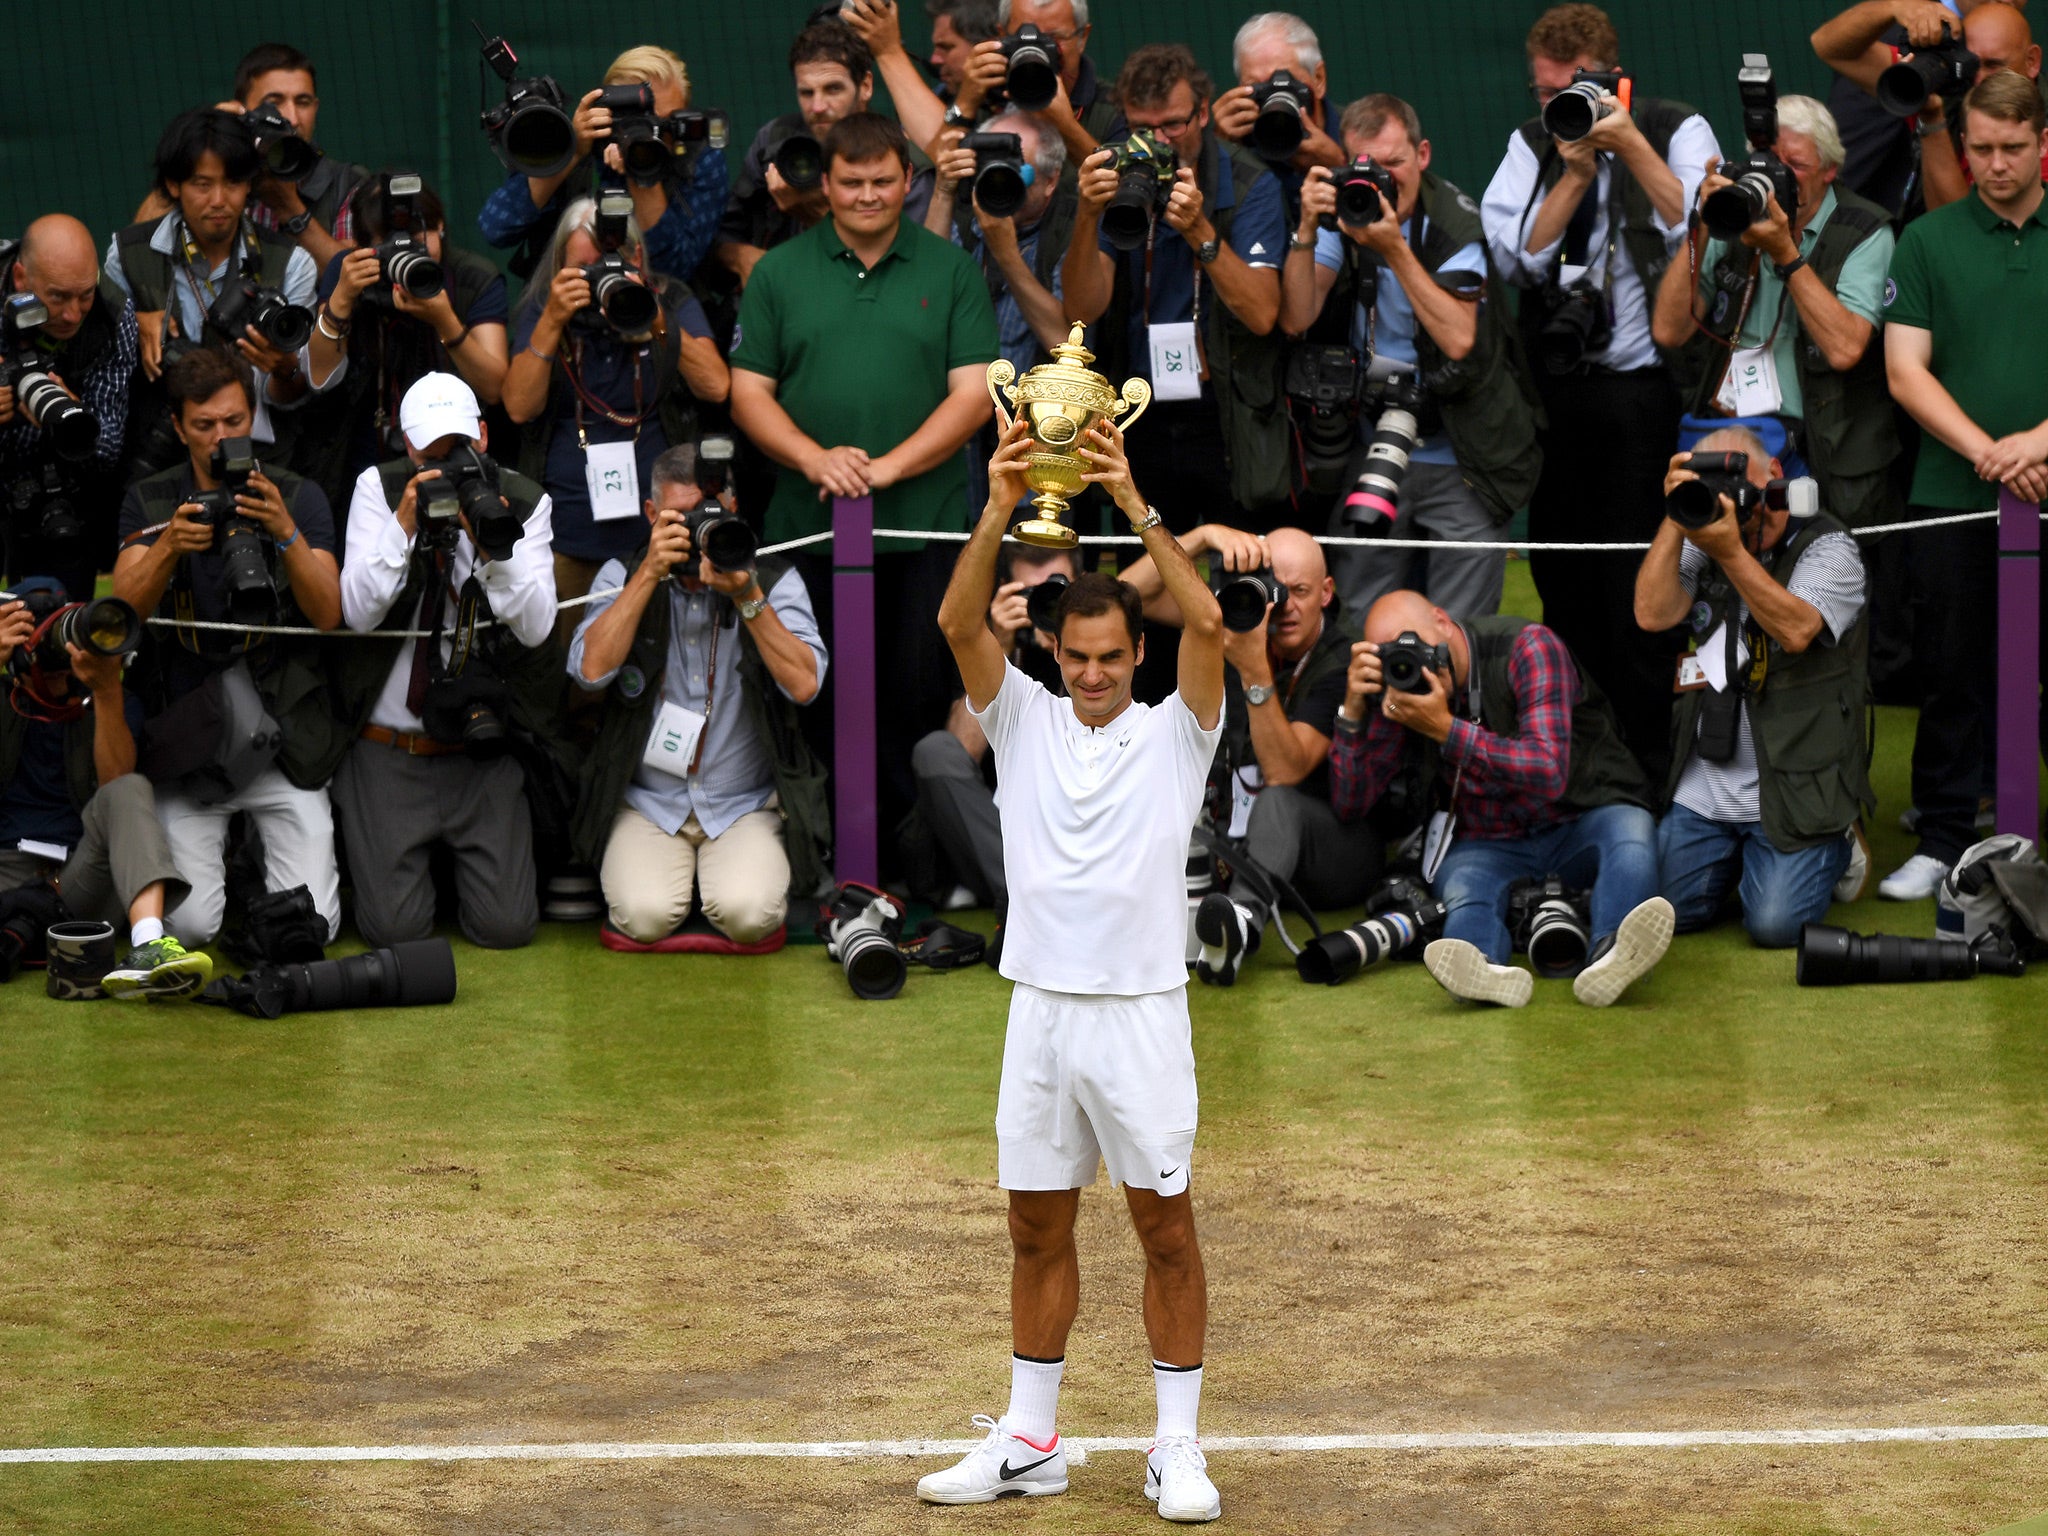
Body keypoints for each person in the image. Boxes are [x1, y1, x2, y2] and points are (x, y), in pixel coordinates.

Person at [920, 416, 1226, 1523]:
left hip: (1141, 1016)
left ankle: (1175, 1449)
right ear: (1055, 654)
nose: (1092, 674)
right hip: (1040, 1013)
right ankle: (1032, 1439)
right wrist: (1000, 500)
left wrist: (1132, 494)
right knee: (1033, 1230)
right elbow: (958, 619)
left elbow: (1206, 616)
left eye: (1110, 658)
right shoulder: (1023, 718)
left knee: (1166, 1234)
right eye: (1076, 657)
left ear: (1134, 658)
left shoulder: (1180, 729)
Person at [730, 111, 997, 846]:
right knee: (815, 699)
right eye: (853, 183)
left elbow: (974, 394)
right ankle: (821, 861)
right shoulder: (780, 272)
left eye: (884, 180)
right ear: (829, 183)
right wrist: (816, 459)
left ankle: (918, 867)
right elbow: (747, 391)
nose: (869, 196)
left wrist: (885, 469)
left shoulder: (950, 270)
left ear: (909, 180)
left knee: (915, 700)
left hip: (925, 528)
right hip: (805, 529)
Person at [1480, 3, 1720, 782]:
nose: (1558, 107)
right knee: (1566, 583)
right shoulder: (1534, 141)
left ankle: (1650, 764)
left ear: (1613, 76)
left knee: (1636, 591)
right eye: (1544, 90)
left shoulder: (1675, 126)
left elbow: (1696, 218)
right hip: (1559, 390)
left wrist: (1625, 142)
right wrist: (1575, 170)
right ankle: (1575, 758)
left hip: (1645, 392)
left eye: (1570, 90)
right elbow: (1513, 256)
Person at [1329, 589, 1672, 1008]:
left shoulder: (1527, 647)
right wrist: (1352, 712)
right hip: (1490, 840)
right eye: (1390, 655)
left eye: (1413, 644)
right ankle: (1481, 967)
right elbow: (1351, 803)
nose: (1409, 661)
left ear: (1443, 620)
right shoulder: (1400, 691)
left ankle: (1613, 952)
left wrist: (1444, 729)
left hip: (1580, 817)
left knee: (1633, 836)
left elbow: (1547, 771)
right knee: (1464, 884)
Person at [110, 348, 344, 948]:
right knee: (188, 928)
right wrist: (169, 548)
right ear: (178, 427)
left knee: (316, 925)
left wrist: (285, 530)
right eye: (206, 425)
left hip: (281, 731)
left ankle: (258, 899)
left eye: (235, 421)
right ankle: (232, 891)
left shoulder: (295, 492)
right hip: (194, 737)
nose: (221, 437)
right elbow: (121, 612)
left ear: (254, 415)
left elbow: (327, 612)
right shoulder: (153, 499)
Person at [1878, 71, 2048, 898]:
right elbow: (1905, 372)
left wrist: (2039, 443)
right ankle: (1944, 839)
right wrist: (1993, 452)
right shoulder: (1927, 240)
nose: (1994, 164)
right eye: (1979, 147)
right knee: (1950, 670)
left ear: (2042, 143)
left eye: (2012, 148)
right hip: (1951, 494)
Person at [1282, 93, 1544, 623]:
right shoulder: (1344, 211)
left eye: (1395, 164)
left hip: (1465, 452)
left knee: (1459, 628)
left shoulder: (1452, 222)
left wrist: (1394, 248)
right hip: (1376, 440)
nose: (1384, 181)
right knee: (1358, 613)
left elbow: (1458, 340)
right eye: (1369, 167)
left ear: (1422, 155)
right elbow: (1296, 316)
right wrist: (1308, 231)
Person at [569, 444, 831, 948]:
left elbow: (805, 684)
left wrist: (746, 595)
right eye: (680, 518)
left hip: (744, 803)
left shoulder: (773, 580)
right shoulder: (621, 574)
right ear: (651, 515)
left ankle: (720, 877)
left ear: (732, 510)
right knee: (643, 916)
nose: (695, 532)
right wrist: (648, 573)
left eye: (705, 517)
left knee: (748, 914)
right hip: (648, 801)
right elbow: (589, 672)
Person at [332, 373, 555, 951]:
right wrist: (406, 523)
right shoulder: (379, 488)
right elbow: (357, 611)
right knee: (394, 931)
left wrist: (491, 545)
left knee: (507, 928)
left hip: (481, 746)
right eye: (433, 452)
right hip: (390, 747)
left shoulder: (524, 499)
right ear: (408, 447)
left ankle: (463, 877)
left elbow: (536, 627)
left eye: (461, 446)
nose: (450, 462)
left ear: (483, 434)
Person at [1634, 430, 1874, 945]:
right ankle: (1744, 862)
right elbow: (1652, 615)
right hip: (1708, 784)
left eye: (1753, 500)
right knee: (1658, 908)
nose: (1745, 520)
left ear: (1778, 478)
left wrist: (1731, 553)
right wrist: (1679, 515)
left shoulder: (1831, 548)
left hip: (1793, 780)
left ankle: (1839, 838)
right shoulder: (1706, 531)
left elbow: (1796, 630)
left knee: (1774, 926)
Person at [1120, 524, 1375, 986]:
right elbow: (1120, 602)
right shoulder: (1240, 623)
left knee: (1278, 800)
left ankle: (1239, 922)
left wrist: (1253, 666)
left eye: (1300, 591)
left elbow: (1285, 771)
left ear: (1326, 592)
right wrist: (1199, 539)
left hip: (1333, 852)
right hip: (1245, 844)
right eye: (1278, 591)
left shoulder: (1344, 658)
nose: (1288, 607)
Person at [1063, 45, 1290, 539]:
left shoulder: (1248, 181)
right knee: (1145, 585)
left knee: (1243, 575)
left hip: (1226, 414)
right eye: (1142, 128)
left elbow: (1263, 313)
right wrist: (1085, 215)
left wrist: (1200, 232)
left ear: (1204, 112)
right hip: (1136, 411)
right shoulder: (1118, 175)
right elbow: (1082, 309)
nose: (1157, 141)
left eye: (1172, 126)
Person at [1651, 94, 1903, 531]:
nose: (1780, 178)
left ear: (1830, 171)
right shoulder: (1733, 219)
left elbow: (1845, 349)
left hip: (1819, 444)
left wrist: (1785, 253)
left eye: (1797, 166)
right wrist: (1705, 222)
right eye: (1769, 165)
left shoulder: (1863, 229)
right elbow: (1669, 330)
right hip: (1732, 431)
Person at [503, 195, 730, 631]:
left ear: (638, 257)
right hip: (567, 540)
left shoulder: (669, 298)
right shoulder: (546, 307)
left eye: (610, 264)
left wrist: (657, 322)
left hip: (658, 542)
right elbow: (518, 406)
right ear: (560, 266)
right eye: (583, 268)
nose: (598, 279)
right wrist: (552, 320)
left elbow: (716, 385)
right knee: (570, 669)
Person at [0, 579, 207, 1000]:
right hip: (6, 868)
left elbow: (115, 786)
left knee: (130, 787)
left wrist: (106, 690)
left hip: (75, 879)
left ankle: (148, 946)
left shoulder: (108, 694)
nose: (61, 652)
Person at [107, 108, 319, 480]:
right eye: (202, 184)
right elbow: (104, 371)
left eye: (233, 183)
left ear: (250, 183)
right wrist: (130, 323)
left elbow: (295, 393)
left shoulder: (292, 264)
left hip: (261, 462)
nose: (219, 200)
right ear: (173, 185)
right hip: (154, 462)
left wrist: (283, 367)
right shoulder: (127, 255)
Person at [302, 174, 512, 532]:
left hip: (453, 445)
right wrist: (340, 301)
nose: (406, 251)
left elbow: (493, 387)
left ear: (441, 226)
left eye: (417, 238)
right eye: (388, 242)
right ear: (362, 246)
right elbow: (317, 375)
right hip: (364, 442)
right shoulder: (348, 273)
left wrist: (444, 320)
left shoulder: (470, 277)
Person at [911, 537, 1074, 919]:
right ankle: (1034, 899)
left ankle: (1041, 899)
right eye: (1030, 593)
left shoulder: (1101, 643)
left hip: (1075, 830)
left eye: (1057, 592)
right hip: (1000, 836)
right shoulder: (987, 644)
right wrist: (997, 647)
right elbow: (957, 751)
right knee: (934, 751)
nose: (1045, 606)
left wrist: (1067, 651)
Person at [477, 44, 730, 286]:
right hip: (569, 299)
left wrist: (642, 170)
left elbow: (674, 271)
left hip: (653, 310)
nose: (651, 130)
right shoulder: (586, 144)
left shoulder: (698, 158)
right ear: (607, 109)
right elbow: (496, 228)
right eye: (637, 118)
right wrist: (571, 152)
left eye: (665, 123)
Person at [713, 19, 935, 290]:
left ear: (865, 85)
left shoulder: (898, 157)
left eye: (833, 89)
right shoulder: (775, 142)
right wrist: (743, 258)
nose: (817, 107)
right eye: (806, 92)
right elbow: (722, 234)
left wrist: (816, 213)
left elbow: (904, 274)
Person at [131, 44, 368, 274]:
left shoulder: (346, 184)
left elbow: (354, 280)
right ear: (242, 108)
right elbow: (139, 249)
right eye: (274, 103)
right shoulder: (215, 177)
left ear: (316, 107)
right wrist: (200, 147)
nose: (292, 118)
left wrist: (292, 211)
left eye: (302, 102)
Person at [0, 216, 140, 595]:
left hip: (61, 499)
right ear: (19, 278)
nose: (73, 314)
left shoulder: (113, 315)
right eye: (58, 296)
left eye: (85, 295)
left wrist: (75, 417)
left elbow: (107, 449)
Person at [1813, 0, 2042, 215]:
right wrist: (1894, 7)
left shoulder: (2040, 124)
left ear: (2032, 62)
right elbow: (1828, 45)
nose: (1979, 78)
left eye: (1994, 65)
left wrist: (1933, 123)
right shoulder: (1949, 87)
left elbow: (1962, 227)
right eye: (1970, 65)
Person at [925, 110, 1074, 373]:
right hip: (955, 397)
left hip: (1029, 406)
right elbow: (922, 297)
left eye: (1014, 170)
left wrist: (1005, 253)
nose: (999, 179)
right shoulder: (964, 210)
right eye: (990, 166)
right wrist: (943, 191)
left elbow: (1066, 346)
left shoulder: (1070, 228)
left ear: (1051, 180)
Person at [942, 0, 1118, 170]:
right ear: (1002, 35)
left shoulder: (1114, 108)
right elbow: (936, 176)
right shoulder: (986, 97)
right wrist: (965, 102)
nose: (1036, 50)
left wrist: (1067, 127)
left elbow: (1126, 191)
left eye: (1052, 38)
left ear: (1082, 38)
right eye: (1023, 37)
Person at [1212, 12, 1348, 217]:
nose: (1275, 100)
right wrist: (1218, 152)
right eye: (1259, 87)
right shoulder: (1237, 140)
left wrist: (1341, 168)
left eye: (1285, 84)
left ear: (1318, 79)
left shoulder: (1358, 132)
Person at [840, 0, 1003, 153]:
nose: (935, 59)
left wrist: (889, 52)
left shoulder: (1015, 103)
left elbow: (944, 156)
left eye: (946, 47)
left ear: (988, 47)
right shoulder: (942, 96)